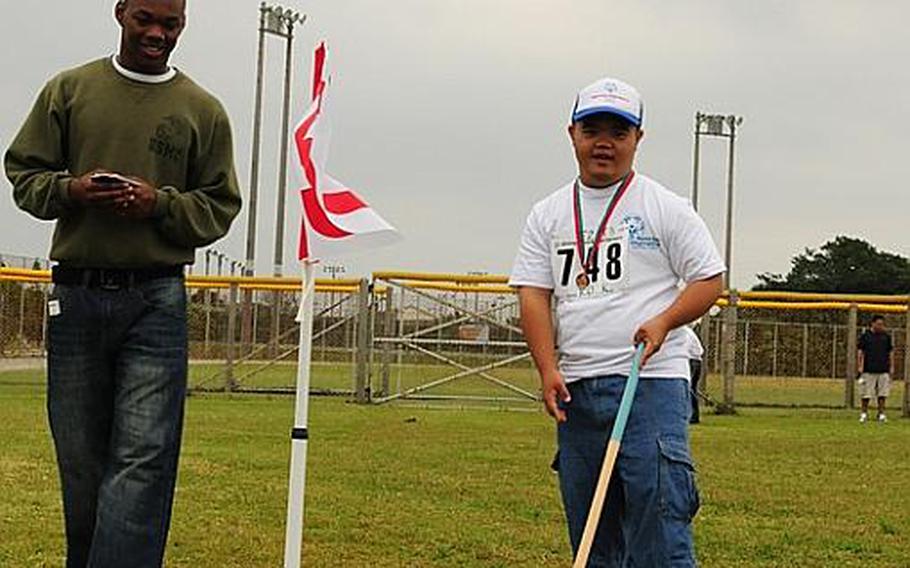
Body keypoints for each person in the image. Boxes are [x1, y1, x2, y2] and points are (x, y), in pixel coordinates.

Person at [4, 1, 241, 566]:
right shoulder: (70, 90)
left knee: (143, 459)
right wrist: (74, 191)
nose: (158, 34)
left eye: (171, 24)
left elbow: (219, 206)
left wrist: (156, 203)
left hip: (155, 299)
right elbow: (24, 174)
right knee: (81, 462)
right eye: (146, 20)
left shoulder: (202, 110)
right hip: (76, 295)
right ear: (121, 13)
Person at [509, 77, 724, 566]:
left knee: (659, 516)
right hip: (578, 391)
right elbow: (534, 294)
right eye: (592, 129)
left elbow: (709, 280)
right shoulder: (546, 215)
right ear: (572, 134)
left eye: (619, 131)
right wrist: (547, 368)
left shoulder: (664, 207)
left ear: (637, 139)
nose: (604, 141)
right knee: (590, 530)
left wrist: (666, 320)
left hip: (649, 383)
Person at [857, 314, 893, 423]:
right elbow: (860, 352)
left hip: (883, 369)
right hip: (868, 369)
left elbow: (890, 352)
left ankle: (881, 414)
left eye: (882, 324)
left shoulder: (886, 337)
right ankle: (864, 413)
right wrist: (860, 366)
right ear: (872, 324)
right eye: (878, 324)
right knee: (866, 393)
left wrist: (891, 367)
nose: (880, 326)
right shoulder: (865, 336)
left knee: (882, 393)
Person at [685, 325, 705, 424]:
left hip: (692, 361)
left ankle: (692, 415)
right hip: (697, 361)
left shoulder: (686, 333)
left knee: (689, 389)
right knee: (692, 388)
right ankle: (693, 415)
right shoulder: (690, 333)